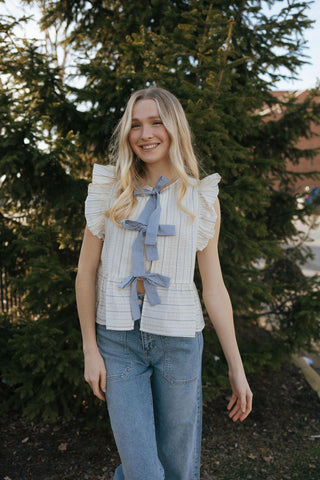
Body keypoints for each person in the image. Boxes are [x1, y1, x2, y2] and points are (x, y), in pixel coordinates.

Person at [75, 86, 252, 480]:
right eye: (135, 124)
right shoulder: (109, 191)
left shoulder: (201, 199)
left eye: (156, 122)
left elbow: (214, 287)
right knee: (143, 472)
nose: (145, 133)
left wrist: (236, 368)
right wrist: (90, 347)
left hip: (179, 341)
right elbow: (85, 273)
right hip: (118, 342)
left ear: (174, 128)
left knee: (177, 467)